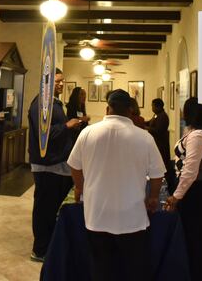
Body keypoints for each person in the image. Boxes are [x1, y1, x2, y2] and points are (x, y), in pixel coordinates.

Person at [68, 89, 165, 281]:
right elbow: (157, 175)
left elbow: (75, 167)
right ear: (130, 110)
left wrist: (80, 187)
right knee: (133, 270)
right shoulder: (145, 138)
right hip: (132, 217)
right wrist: (153, 197)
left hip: (97, 215)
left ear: (107, 108)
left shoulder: (88, 133)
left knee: (100, 269)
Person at [28, 68, 82, 262]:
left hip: (58, 164)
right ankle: (40, 250)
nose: (60, 84)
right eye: (56, 81)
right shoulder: (40, 104)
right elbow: (45, 135)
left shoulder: (54, 104)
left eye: (61, 81)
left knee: (53, 209)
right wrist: (67, 126)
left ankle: (50, 245)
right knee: (44, 209)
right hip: (47, 165)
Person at [164, 98, 202, 281]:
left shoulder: (197, 136)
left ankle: (201, 274)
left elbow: (190, 171)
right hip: (199, 189)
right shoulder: (197, 133)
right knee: (195, 235)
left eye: (184, 110)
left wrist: (176, 196)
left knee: (195, 237)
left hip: (196, 191)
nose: (181, 113)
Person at [147, 98, 175, 193]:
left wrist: (145, 127)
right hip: (157, 143)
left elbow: (158, 131)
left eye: (153, 106)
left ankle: (166, 187)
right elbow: (150, 122)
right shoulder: (156, 115)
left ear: (158, 106)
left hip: (161, 145)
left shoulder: (163, 116)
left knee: (162, 164)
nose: (152, 108)